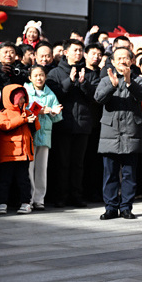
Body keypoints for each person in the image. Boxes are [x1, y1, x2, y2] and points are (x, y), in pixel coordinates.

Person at [94, 47, 142, 221]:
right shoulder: (105, 80)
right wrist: (112, 86)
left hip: (131, 132)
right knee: (109, 173)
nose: (122, 61)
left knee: (129, 174)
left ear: (132, 61)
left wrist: (128, 82)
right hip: (110, 132)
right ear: (113, 61)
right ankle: (110, 207)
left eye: (126, 58)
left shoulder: (139, 80)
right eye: (118, 58)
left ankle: (126, 207)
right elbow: (98, 99)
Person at [46, 39, 99, 208]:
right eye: (75, 50)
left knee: (78, 164)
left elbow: (96, 96)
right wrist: (69, 81)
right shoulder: (55, 73)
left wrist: (83, 83)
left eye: (80, 50)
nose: (78, 53)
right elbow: (53, 95)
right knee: (62, 163)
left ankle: (77, 195)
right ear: (66, 52)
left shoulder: (89, 72)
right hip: (62, 124)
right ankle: (61, 196)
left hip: (83, 124)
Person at [0, 84, 39, 215]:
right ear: (12, 98)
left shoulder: (27, 111)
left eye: (24, 98)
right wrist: (23, 119)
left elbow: (37, 127)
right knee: (4, 180)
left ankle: (26, 203)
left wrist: (33, 119)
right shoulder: (4, 113)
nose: (23, 101)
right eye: (20, 98)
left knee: (23, 180)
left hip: (24, 153)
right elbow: (4, 126)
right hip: (9, 153)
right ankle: (2, 203)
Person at [24, 66, 63, 211]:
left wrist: (54, 112)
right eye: (36, 75)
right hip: (30, 134)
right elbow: (23, 110)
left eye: (41, 75)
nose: (39, 78)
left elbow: (57, 118)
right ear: (30, 78)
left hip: (45, 135)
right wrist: (41, 110)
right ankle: (28, 198)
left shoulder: (50, 94)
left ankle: (39, 199)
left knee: (41, 169)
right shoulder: (26, 91)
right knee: (29, 168)